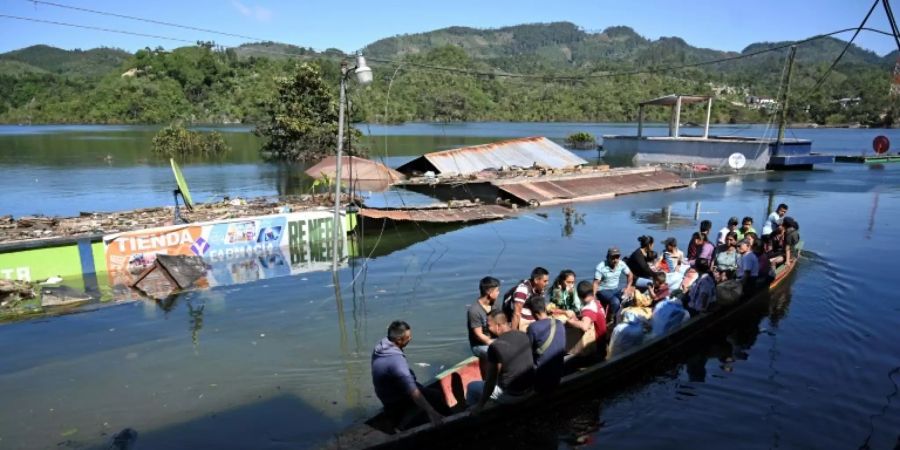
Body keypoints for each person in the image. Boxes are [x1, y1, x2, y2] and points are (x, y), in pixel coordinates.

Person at [372, 321, 449, 429]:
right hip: (396, 400)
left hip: (386, 394)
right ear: (399, 340)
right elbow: (413, 392)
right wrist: (431, 412)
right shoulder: (397, 361)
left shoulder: (381, 345)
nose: (410, 339)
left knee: (425, 390)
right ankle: (449, 420)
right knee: (437, 396)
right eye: (408, 337)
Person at [466, 311, 534, 408]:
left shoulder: (495, 347)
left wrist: (480, 405)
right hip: (530, 388)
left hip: (512, 395)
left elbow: (490, 382)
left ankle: (472, 412)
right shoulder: (523, 335)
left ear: (498, 326)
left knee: (471, 387)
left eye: (489, 325)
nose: (487, 328)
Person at [525, 296, 566, 393]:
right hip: (559, 372)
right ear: (544, 308)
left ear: (533, 312)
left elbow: (527, 351)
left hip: (542, 376)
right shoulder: (559, 323)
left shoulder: (533, 327)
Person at [468, 277, 499, 381]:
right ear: (490, 293)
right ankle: (490, 381)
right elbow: (478, 334)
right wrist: (493, 344)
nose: (499, 293)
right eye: (497, 291)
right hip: (479, 344)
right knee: (497, 353)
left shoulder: (494, 306)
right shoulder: (474, 310)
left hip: (494, 340)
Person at [567, 280, 608, 352]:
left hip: (597, 344)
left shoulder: (588, 308)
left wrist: (571, 322)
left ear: (579, 296)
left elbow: (584, 327)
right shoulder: (596, 302)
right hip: (603, 338)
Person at [593, 247, 634, 320]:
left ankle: (622, 314)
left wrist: (627, 288)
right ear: (607, 257)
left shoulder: (621, 264)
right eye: (613, 258)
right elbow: (596, 283)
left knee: (630, 297)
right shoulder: (601, 267)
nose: (615, 260)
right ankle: (611, 318)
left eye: (617, 257)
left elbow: (630, 275)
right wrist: (593, 297)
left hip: (615, 289)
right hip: (603, 290)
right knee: (615, 301)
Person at [510, 267, 549, 332]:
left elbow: (540, 306)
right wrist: (513, 334)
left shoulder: (539, 289)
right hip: (519, 316)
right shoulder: (522, 290)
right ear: (536, 280)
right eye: (545, 281)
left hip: (529, 311)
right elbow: (516, 313)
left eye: (547, 281)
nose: (547, 283)